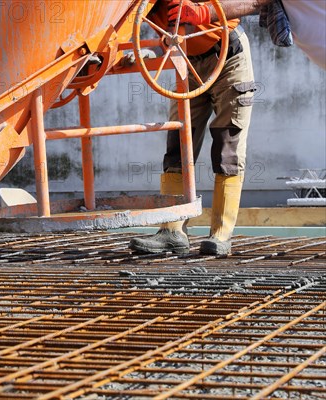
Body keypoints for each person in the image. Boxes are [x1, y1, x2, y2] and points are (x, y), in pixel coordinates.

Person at [129, 0, 256, 255]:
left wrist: (205, 12)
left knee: (227, 146)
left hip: (227, 55)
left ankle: (221, 235)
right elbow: (124, 19)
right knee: (178, 144)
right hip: (185, 60)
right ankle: (172, 231)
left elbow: (256, 2)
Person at [184, 0, 325, 69]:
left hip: (229, 51)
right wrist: (203, 13)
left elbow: (254, 2)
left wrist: (204, 13)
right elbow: (254, 2)